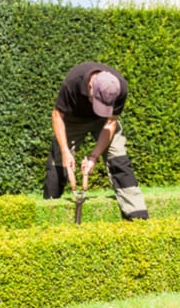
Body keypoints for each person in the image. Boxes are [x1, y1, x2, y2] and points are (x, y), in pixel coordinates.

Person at [43, 61, 149, 221]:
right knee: (58, 162)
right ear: (90, 86)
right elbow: (57, 115)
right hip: (73, 120)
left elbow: (111, 122)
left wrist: (94, 156)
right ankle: (48, 214)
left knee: (118, 159)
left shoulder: (120, 87)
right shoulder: (73, 81)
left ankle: (138, 216)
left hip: (104, 121)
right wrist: (65, 151)